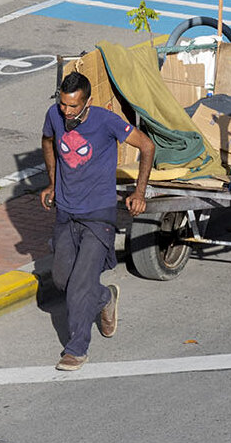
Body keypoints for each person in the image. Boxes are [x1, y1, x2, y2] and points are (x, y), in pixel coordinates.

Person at [41, 71, 154, 371]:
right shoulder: (54, 115)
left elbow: (146, 146)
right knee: (63, 279)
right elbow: (47, 140)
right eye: (63, 104)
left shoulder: (107, 121)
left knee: (79, 284)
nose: (66, 112)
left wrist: (139, 192)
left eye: (73, 106)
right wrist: (52, 182)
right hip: (66, 212)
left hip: (98, 215)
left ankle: (76, 349)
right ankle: (104, 297)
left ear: (87, 102)